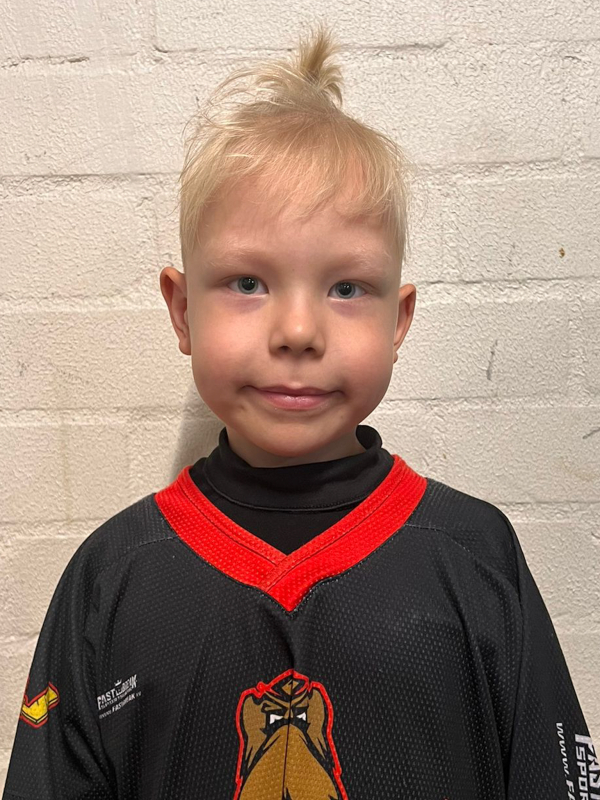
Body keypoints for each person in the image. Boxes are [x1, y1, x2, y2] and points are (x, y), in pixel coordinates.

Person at [3, 20, 597, 800]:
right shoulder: (110, 580)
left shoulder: (476, 558)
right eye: (248, 283)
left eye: (347, 288)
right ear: (183, 311)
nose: (297, 331)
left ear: (398, 321)